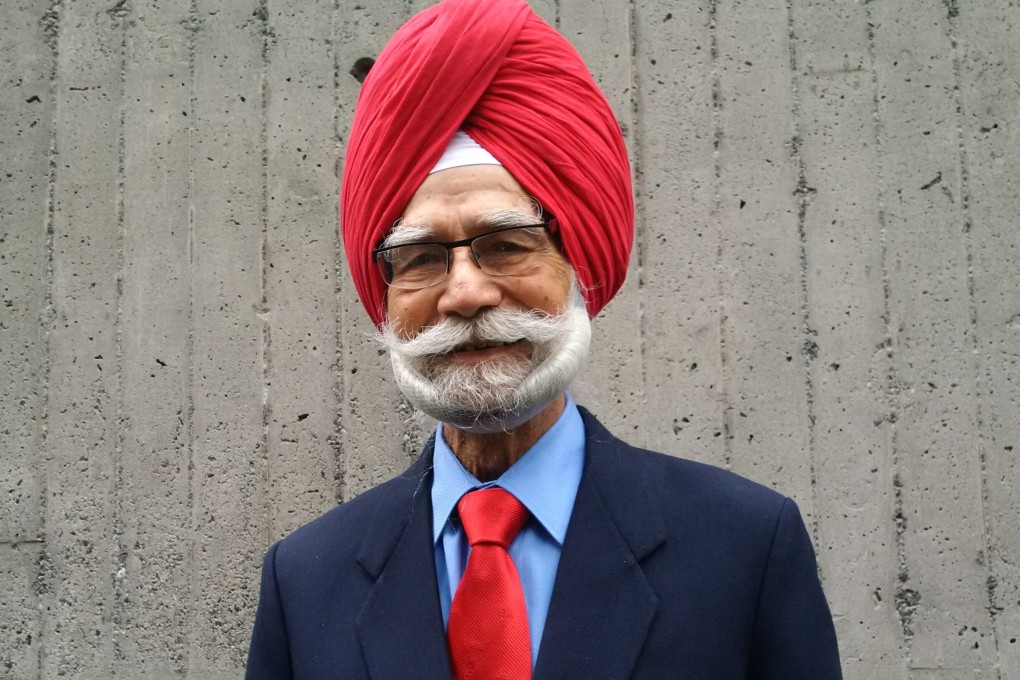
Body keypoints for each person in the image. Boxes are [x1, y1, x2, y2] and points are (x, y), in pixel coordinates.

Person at [245, 0, 843, 678]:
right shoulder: (304, 581)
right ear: (383, 294)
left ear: (578, 266)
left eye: (505, 245)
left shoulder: (744, 549)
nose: (465, 292)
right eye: (421, 257)